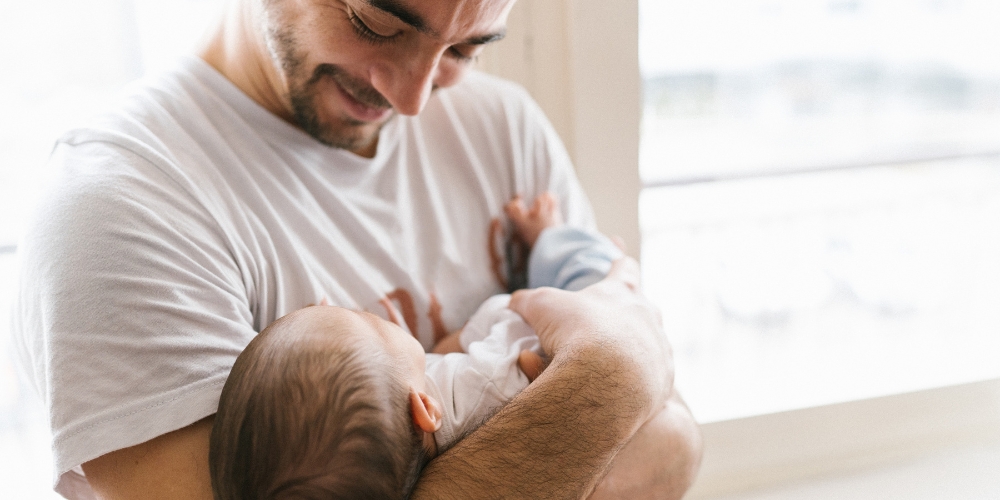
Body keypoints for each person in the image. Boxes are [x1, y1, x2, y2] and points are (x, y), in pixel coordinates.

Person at [12, 0, 702, 498]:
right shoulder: (120, 203)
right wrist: (613, 375)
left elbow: (673, 450)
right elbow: (638, 403)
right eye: (377, 22)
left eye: (464, 49)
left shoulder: (501, 125)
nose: (412, 98)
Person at [209, 192, 622, 499]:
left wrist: (452, 345)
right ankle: (559, 238)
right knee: (583, 278)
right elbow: (531, 337)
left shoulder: (403, 445)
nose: (369, 313)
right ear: (425, 408)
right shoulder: (494, 384)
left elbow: (442, 359)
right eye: (367, 323)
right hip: (575, 322)